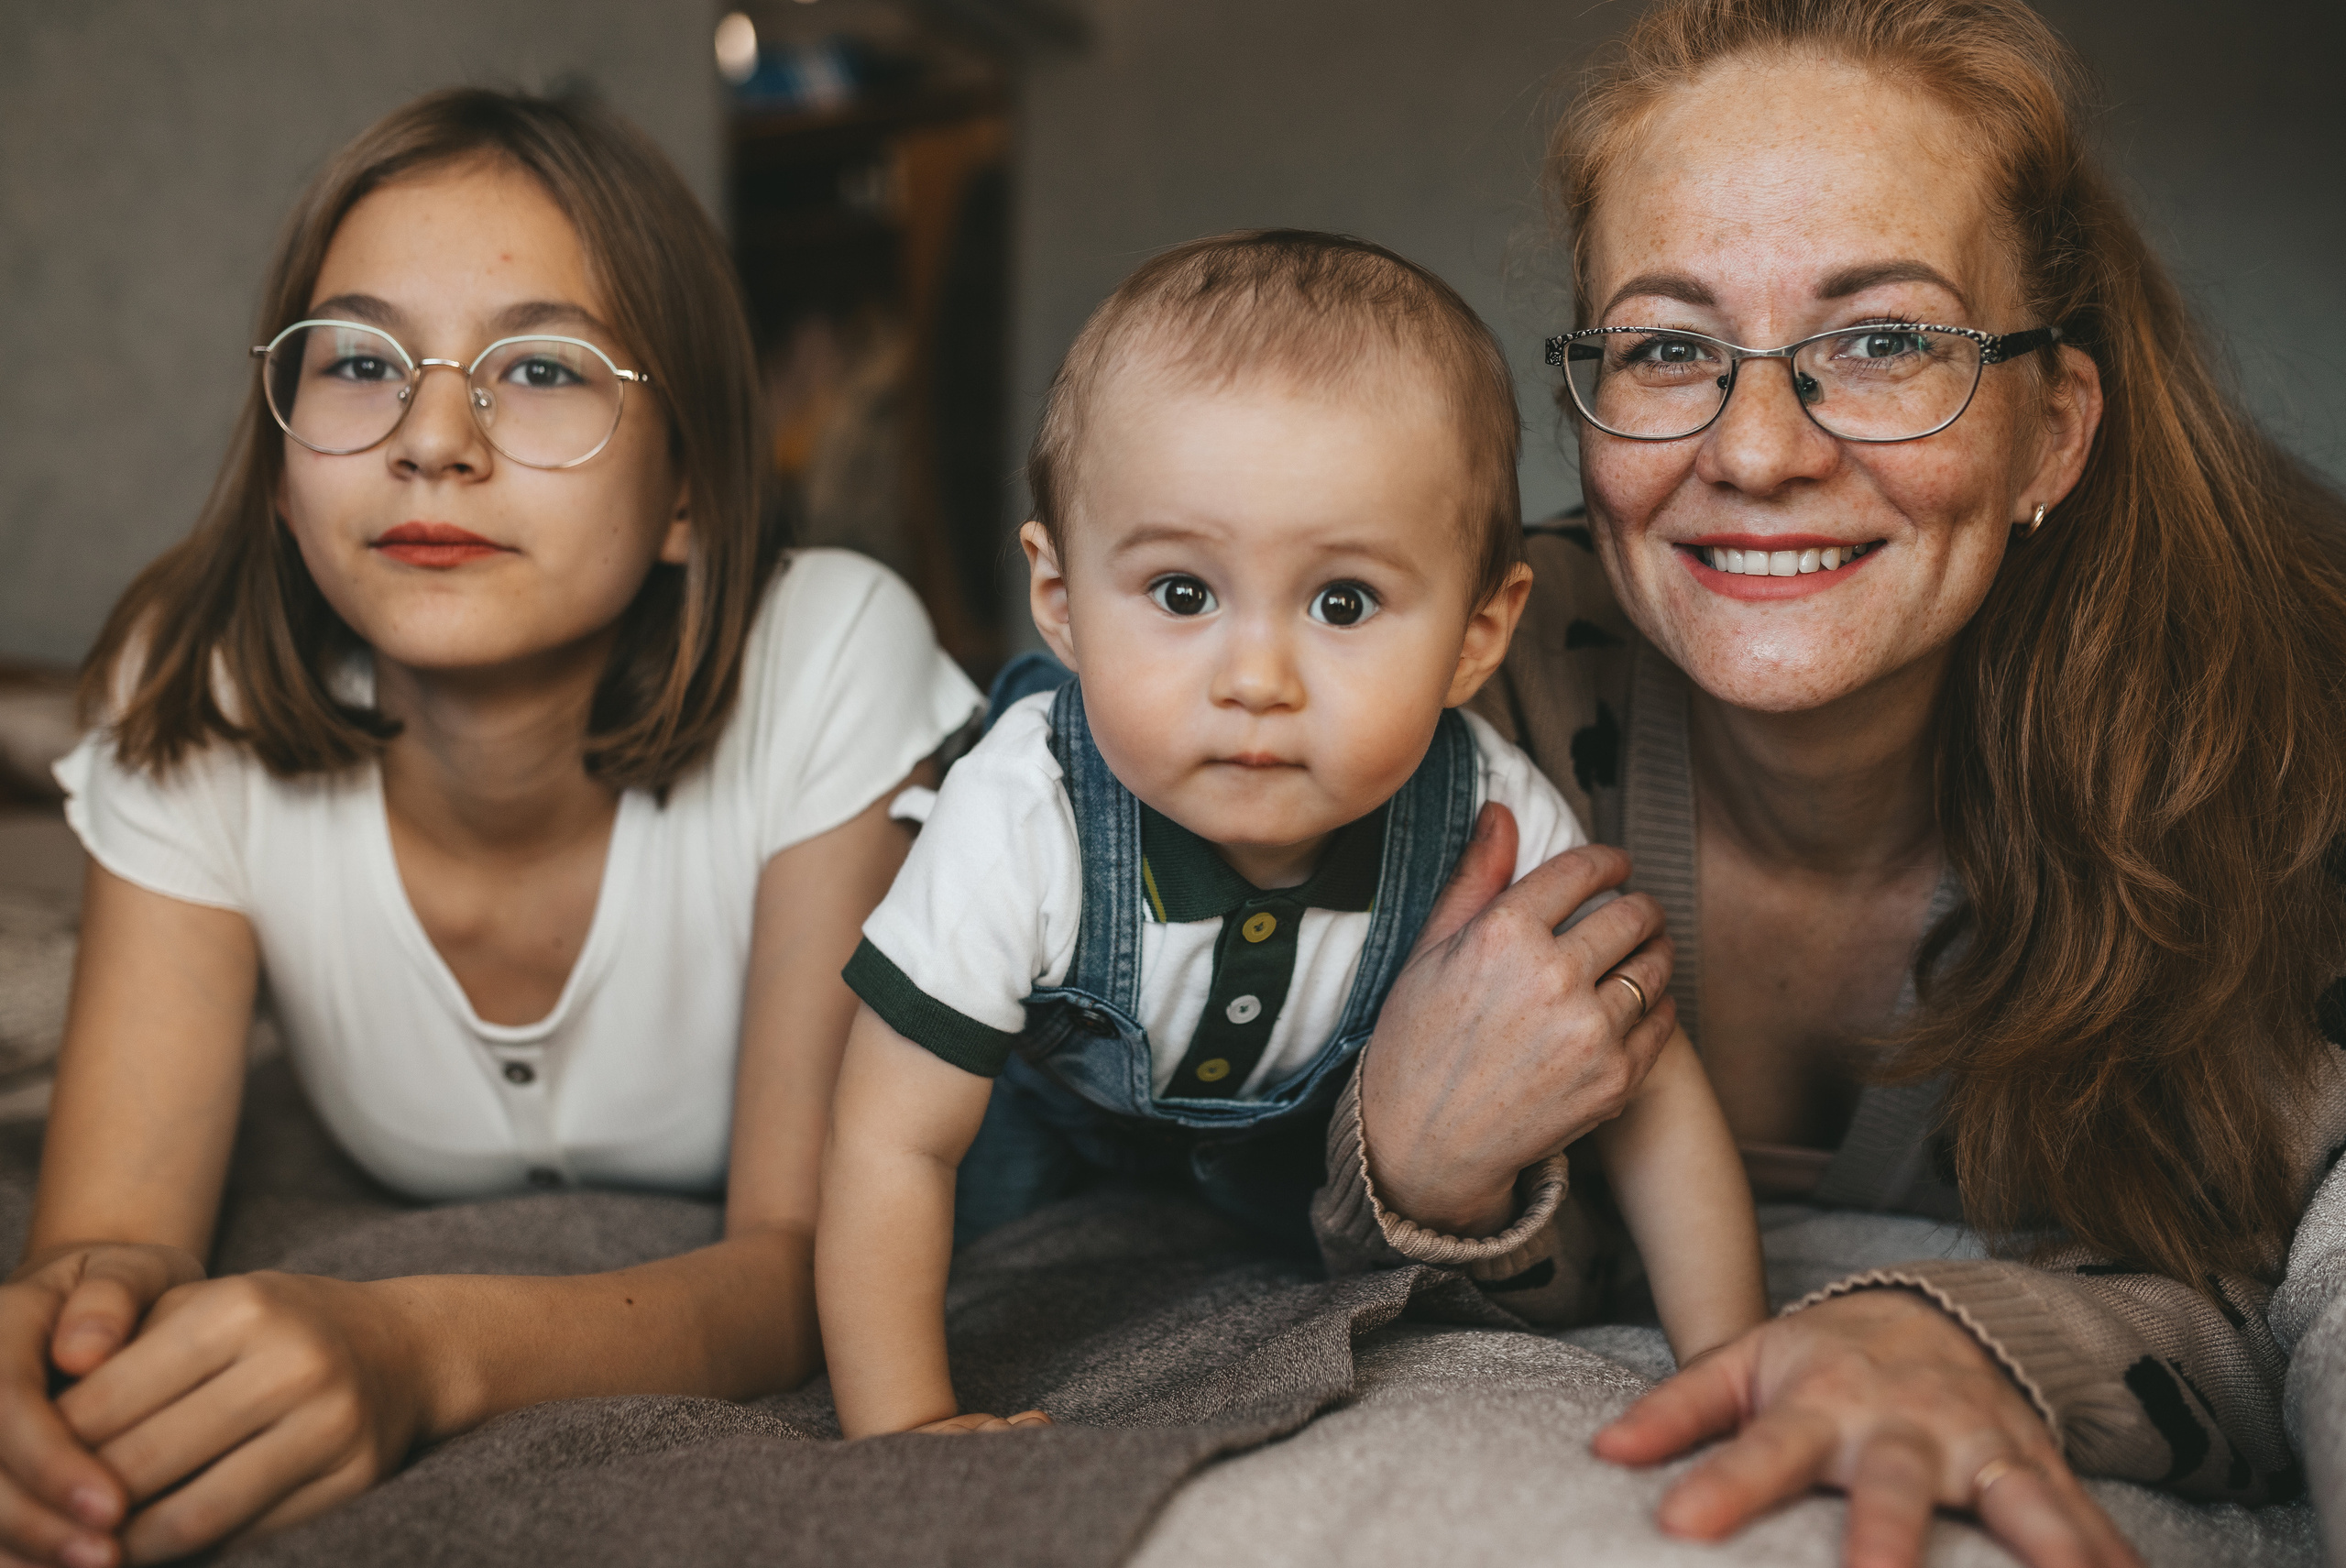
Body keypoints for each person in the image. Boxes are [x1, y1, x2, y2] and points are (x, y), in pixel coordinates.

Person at [1306, 1, 2346, 1564]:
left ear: (2053, 432)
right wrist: (1413, 1172)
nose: (1762, 450)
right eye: (1669, 348)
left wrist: (1961, 1336)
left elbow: (2264, 1282)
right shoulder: (1458, 695)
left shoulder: (2260, 762)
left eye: (1882, 341)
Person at [0, 91, 979, 1568]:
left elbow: (797, 1266)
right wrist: (62, 1349)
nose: (432, 438)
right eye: (358, 363)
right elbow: (112, 1239)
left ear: (693, 491)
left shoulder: (828, 654)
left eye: (539, 368)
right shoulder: (187, 691)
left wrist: (416, 1349)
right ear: (282, 464)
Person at [815, 232, 1767, 1439]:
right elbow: (889, 1136)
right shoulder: (1023, 808)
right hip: (1039, 1116)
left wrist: (1735, 1354)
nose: (1256, 677)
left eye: (1342, 602)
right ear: (1060, 605)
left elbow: (1650, 1090)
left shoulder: (1493, 813)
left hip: (1292, 1162)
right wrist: (904, 1422)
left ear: (1478, 635)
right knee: (958, 1241)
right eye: (1181, 594)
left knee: (1328, 1261)